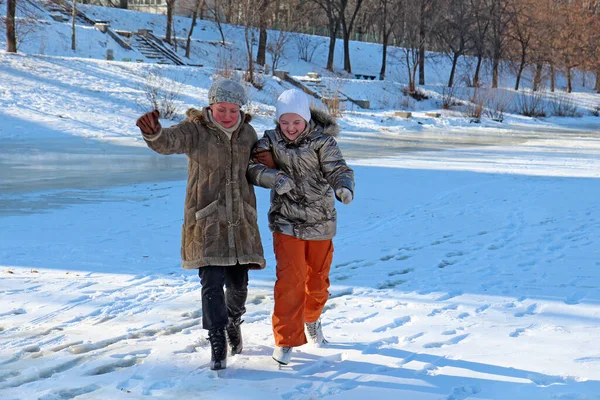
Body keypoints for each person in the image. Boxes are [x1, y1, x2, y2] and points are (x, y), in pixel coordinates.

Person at [135, 78, 266, 371]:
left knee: (239, 285)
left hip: (241, 221)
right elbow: (169, 141)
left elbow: (260, 164)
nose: (227, 115)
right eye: (222, 108)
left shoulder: (248, 133)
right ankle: (216, 336)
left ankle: (234, 320)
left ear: (240, 110)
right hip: (207, 221)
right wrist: (153, 133)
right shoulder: (195, 130)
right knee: (211, 284)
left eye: (233, 110)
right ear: (211, 106)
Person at [248, 88, 355, 365]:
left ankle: (312, 318)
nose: (290, 128)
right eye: (284, 122)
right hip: (286, 221)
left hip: (321, 221)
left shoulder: (323, 142)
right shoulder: (270, 141)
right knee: (290, 281)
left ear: (306, 119)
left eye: (296, 122)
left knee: (317, 283)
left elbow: (338, 168)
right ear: (278, 121)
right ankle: (286, 340)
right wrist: (274, 178)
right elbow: (253, 168)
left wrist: (343, 187)